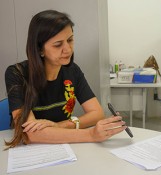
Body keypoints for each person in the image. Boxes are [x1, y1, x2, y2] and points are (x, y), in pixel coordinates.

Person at [5, 10, 127, 148]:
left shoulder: (72, 70)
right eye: (58, 45)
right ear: (39, 49)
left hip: (63, 145)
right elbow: (30, 134)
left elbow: (97, 113)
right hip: (30, 152)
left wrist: (59, 125)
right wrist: (91, 134)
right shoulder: (16, 73)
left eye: (70, 40)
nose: (68, 49)